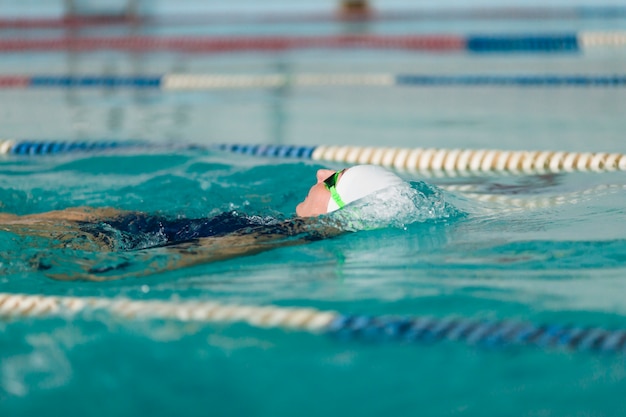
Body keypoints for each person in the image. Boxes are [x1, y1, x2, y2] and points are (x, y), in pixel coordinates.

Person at [1, 165, 406, 281]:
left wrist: (107, 271)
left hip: (129, 243)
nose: (319, 172)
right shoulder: (291, 227)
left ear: (334, 207)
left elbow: (211, 251)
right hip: (152, 224)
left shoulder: (290, 235)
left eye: (332, 179)